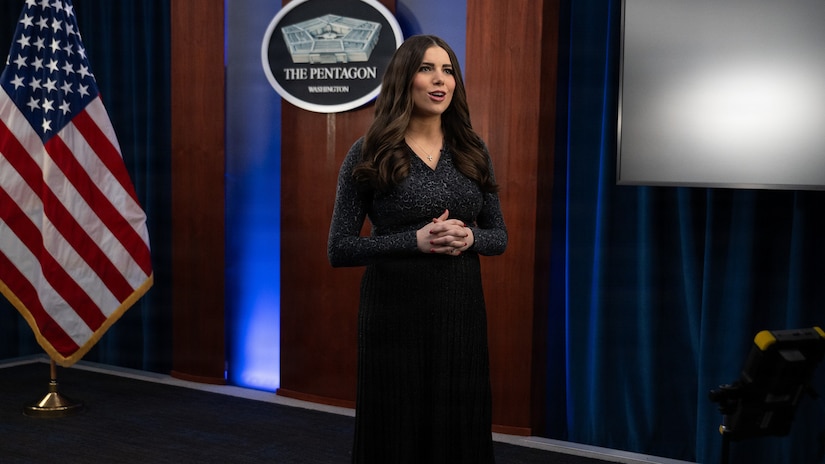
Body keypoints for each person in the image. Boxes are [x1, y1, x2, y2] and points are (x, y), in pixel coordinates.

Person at [327, 34, 507, 464]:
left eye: (448, 70)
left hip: (460, 313)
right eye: (427, 69)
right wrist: (414, 241)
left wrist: (471, 238)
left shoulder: (473, 149)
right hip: (394, 314)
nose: (440, 79)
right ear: (404, 79)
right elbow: (339, 248)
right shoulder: (368, 151)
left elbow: (499, 236)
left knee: (458, 426)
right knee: (397, 427)